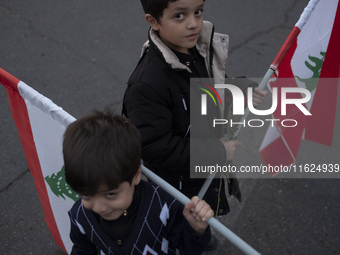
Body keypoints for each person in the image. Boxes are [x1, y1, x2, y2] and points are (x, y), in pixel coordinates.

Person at [122, 0, 267, 249]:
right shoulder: (147, 85)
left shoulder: (193, 51)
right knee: (183, 231)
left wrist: (239, 90)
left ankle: (201, 236)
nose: (193, 24)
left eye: (198, 12)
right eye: (179, 16)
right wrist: (215, 151)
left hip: (201, 176)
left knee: (202, 219)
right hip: (178, 187)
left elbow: (209, 86)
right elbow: (153, 147)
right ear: (153, 21)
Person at [63, 111, 214, 255]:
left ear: (136, 175)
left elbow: (189, 249)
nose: (98, 207)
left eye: (110, 194)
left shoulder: (164, 205)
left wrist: (196, 230)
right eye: (87, 195)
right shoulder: (80, 216)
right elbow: (82, 250)